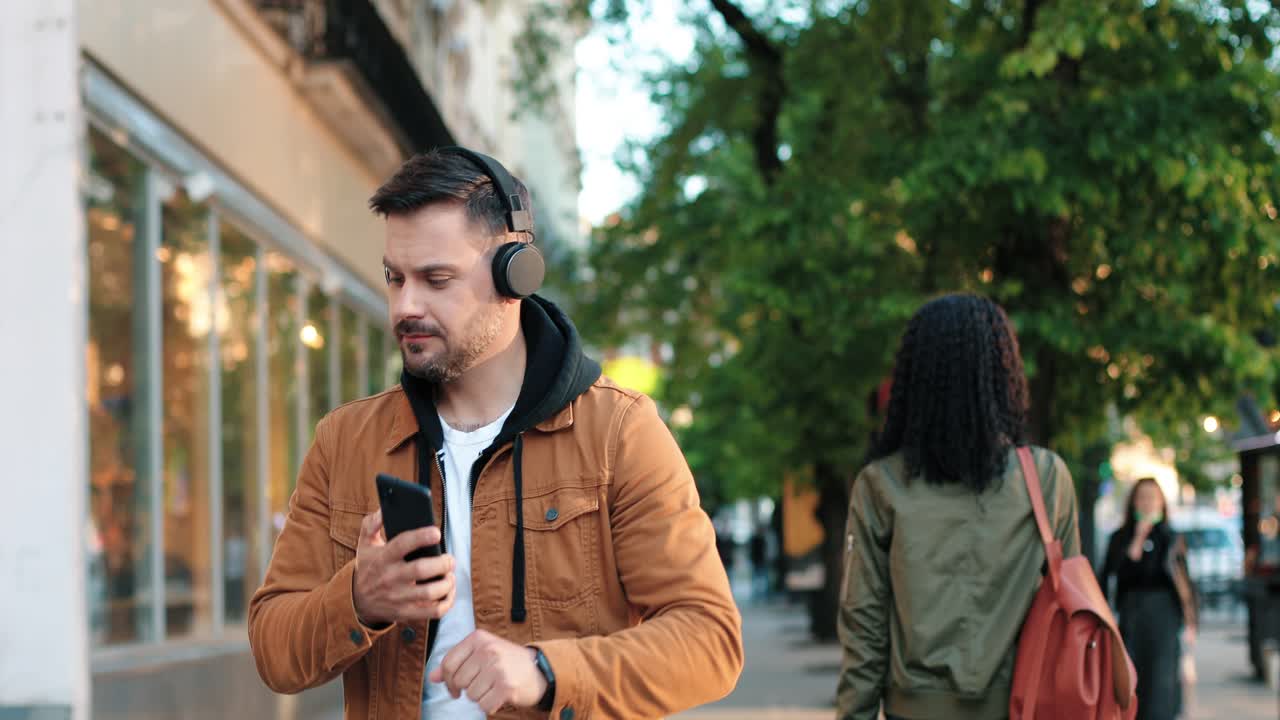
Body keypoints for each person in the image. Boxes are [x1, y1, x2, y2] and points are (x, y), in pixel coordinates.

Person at [248, 147, 742, 719]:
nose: (405, 305)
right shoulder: (346, 441)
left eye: (436, 279)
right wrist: (358, 597)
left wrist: (547, 672)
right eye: (394, 278)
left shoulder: (619, 432)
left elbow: (710, 640)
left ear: (515, 273)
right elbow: (273, 650)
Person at [836, 294, 1081, 720]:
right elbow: (1072, 607)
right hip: (1021, 705)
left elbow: (864, 623)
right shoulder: (1045, 478)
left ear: (915, 377)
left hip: (914, 709)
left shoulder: (881, 485)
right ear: (1003, 373)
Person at [1099, 477, 1198, 720]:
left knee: (1161, 682)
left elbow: (1184, 582)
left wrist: (1191, 621)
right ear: (1133, 502)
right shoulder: (1119, 538)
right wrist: (1136, 542)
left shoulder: (1171, 537)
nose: (1147, 503)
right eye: (1142, 497)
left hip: (1165, 617)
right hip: (1131, 617)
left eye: (1152, 497)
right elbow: (1110, 575)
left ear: (1161, 503)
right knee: (1132, 681)